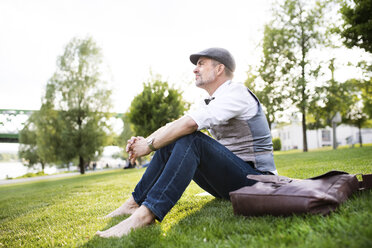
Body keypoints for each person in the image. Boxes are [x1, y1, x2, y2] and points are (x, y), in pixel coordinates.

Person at [96, 47, 277, 238]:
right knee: (175, 137)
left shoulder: (237, 93)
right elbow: (175, 125)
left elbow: (189, 125)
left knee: (191, 138)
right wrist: (146, 141)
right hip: (230, 183)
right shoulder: (210, 100)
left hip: (258, 181)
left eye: (201, 64)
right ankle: (133, 203)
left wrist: (148, 147)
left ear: (219, 69)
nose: (195, 69)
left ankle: (146, 215)